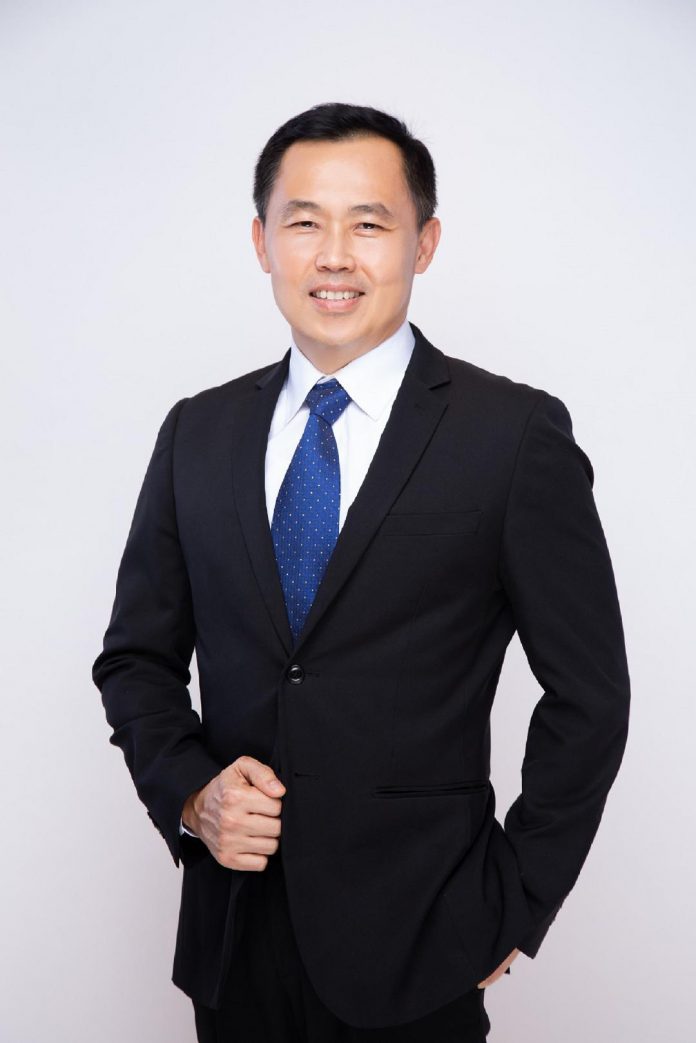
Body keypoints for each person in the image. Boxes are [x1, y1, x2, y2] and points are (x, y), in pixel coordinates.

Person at [92, 102, 631, 1042]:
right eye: (304, 221)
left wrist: (517, 898)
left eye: (369, 224)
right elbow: (136, 661)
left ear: (424, 243)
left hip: (422, 941)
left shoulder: (511, 436)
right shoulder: (198, 432)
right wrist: (192, 793)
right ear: (262, 242)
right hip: (233, 943)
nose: (334, 256)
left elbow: (590, 695)